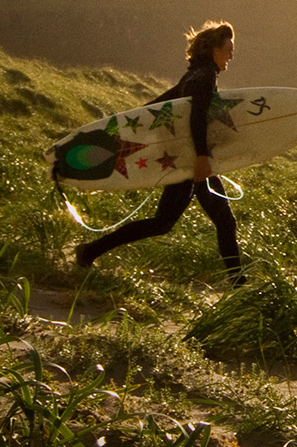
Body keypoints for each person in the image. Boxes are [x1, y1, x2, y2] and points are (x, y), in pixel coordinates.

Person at [74, 21, 246, 283]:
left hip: (188, 157)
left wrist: (130, 123)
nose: (232, 55)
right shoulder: (205, 77)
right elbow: (197, 118)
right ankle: (89, 251)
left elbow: (161, 104)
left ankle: (238, 282)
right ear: (214, 50)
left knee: (197, 222)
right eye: (229, 49)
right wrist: (201, 157)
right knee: (175, 222)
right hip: (191, 160)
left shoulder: (195, 74)